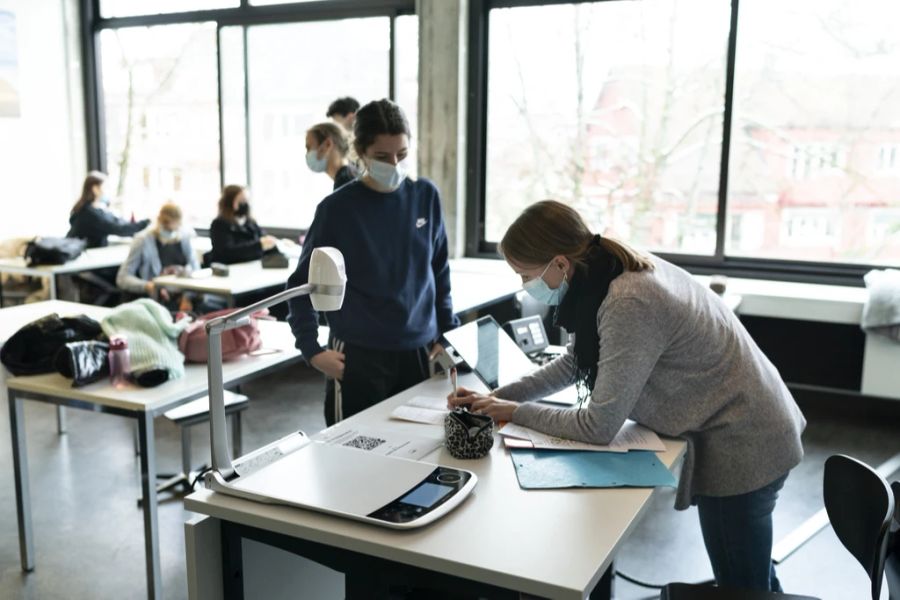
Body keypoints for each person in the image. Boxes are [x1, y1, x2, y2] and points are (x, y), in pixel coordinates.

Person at [448, 200, 807, 594]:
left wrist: (515, 412)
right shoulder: (604, 273)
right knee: (750, 575)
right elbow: (574, 362)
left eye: (526, 276)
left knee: (743, 586)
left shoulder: (627, 300)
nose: (524, 287)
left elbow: (598, 426)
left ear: (560, 264)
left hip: (745, 440)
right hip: (739, 424)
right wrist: (498, 397)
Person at [288, 98, 459, 426]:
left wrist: (446, 331)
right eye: (382, 156)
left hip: (419, 352)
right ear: (360, 152)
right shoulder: (337, 209)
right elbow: (301, 285)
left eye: (402, 154)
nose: (394, 164)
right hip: (357, 356)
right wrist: (311, 350)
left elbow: (439, 270)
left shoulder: (426, 196)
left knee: (416, 457)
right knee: (354, 462)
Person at [117, 202, 199, 310]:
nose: (169, 230)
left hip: (179, 298)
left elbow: (196, 271)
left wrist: (187, 297)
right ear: (159, 220)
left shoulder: (184, 239)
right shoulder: (142, 240)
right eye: (166, 225)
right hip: (154, 300)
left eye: (173, 228)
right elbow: (122, 278)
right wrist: (148, 286)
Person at [67, 171, 150, 248]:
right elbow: (120, 229)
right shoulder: (90, 214)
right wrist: (147, 222)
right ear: (95, 189)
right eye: (105, 187)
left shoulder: (92, 209)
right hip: (88, 259)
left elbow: (117, 221)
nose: (107, 191)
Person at [206, 185, 277, 265]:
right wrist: (258, 245)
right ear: (229, 202)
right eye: (241, 200)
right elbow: (228, 252)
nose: (245, 203)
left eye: (246, 200)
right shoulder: (219, 224)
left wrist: (277, 244)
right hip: (231, 268)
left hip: (253, 267)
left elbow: (264, 239)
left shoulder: (250, 222)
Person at [305, 122, 359, 189]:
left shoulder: (345, 184)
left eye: (308, 148)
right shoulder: (350, 176)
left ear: (328, 144)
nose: (307, 155)